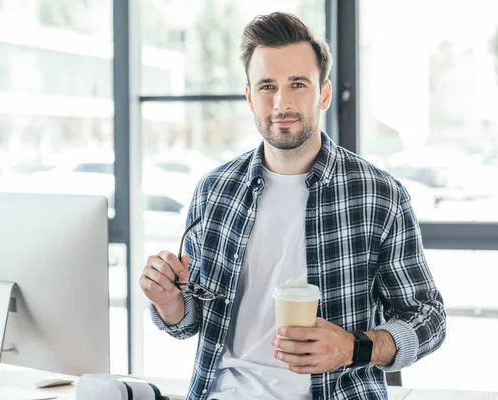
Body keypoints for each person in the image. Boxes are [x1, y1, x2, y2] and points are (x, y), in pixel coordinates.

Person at [139, 11, 446, 400]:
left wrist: (355, 348)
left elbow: (429, 319)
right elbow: (189, 322)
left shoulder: (378, 196)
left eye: (298, 84)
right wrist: (169, 302)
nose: (282, 102)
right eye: (267, 86)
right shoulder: (214, 191)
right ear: (250, 97)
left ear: (323, 93)